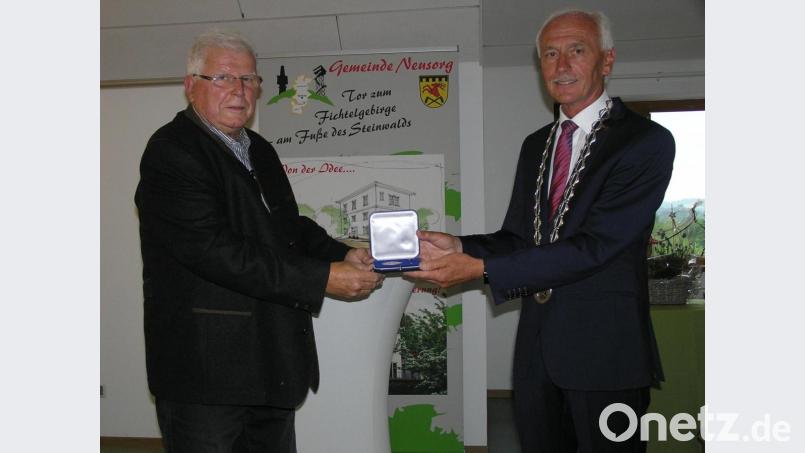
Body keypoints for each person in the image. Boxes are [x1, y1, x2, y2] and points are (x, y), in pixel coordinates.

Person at [406, 9, 674, 453]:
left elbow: (596, 246)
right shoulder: (537, 145)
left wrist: (480, 268)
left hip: (606, 352)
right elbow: (519, 236)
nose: (562, 64)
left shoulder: (646, 142)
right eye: (550, 53)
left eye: (576, 50)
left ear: (606, 61)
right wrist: (458, 244)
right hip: (536, 352)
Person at [134, 29, 383, 453]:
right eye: (223, 78)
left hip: (272, 361)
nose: (239, 90)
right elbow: (214, 250)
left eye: (249, 79)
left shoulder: (260, 150)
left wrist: (344, 253)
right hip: (206, 373)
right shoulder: (171, 151)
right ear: (191, 85)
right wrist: (321, 278)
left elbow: (287, 227)